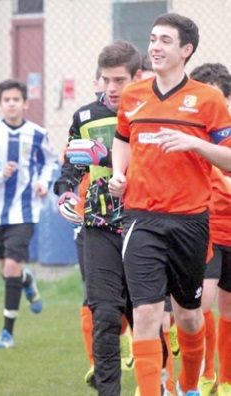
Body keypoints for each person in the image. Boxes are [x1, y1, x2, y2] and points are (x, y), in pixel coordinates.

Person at [109, 13, 231, 396]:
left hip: (191, 223)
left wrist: (195, 144)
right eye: (153, 39)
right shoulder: (133, 95)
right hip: (141, 219)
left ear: (186, 50)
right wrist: (118, 174)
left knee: (189, 318)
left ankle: (189, 386)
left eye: (165, 41)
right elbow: (123, 138)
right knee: (145, 313)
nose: (155, 47)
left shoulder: (209, 100)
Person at [55, 40, 140, 396]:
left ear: (137, 76)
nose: (112, 88)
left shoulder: (149, 112)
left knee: (146, 315)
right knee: (104, 314)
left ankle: (159, 384)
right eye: (106, 80)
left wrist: (106, 159)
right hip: (99, 224)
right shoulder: (85, 116)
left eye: (119, 79)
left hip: (142, 222)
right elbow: (72, 162)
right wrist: (66, 190)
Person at [0, 78, 57, 348]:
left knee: (12, 266)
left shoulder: (37, 133)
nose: (11, 104)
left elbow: (51, 161)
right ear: (0, 104)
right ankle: (27, 280)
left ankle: (7, 333)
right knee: (9, 272)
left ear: (25, 103)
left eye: (16, 99)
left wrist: (43, 183)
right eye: (6, 100)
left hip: (25, 211)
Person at [189, 62, 231, 396]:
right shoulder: (192, 135)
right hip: (207, 232)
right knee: (201, 306)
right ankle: (204, 374)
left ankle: (227, 380)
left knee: (228, 310)